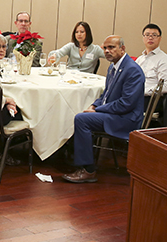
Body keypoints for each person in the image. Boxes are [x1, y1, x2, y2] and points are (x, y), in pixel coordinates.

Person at [62, 35, 145, 184]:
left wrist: (98, 110)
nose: (107, 51)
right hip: (115, 113)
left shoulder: (133, 70)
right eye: (105, 48)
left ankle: (88, 170)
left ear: (122, 49)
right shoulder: (114, 66)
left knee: (82, 119)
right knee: (80, 112)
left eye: (111, 47)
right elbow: (106, 95)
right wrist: (94, 105)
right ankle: (71, 158)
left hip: (126, 118)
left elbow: (126, 104)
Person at [135, 23, 167, 95]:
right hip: (134, 96)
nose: (150, 38)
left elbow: (165, 87)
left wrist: (142, 92)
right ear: (143, 38)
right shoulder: (139, 60)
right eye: (147, 35)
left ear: (160, 38)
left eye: (154, 35)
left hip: (148, 98)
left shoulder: (164, 60)